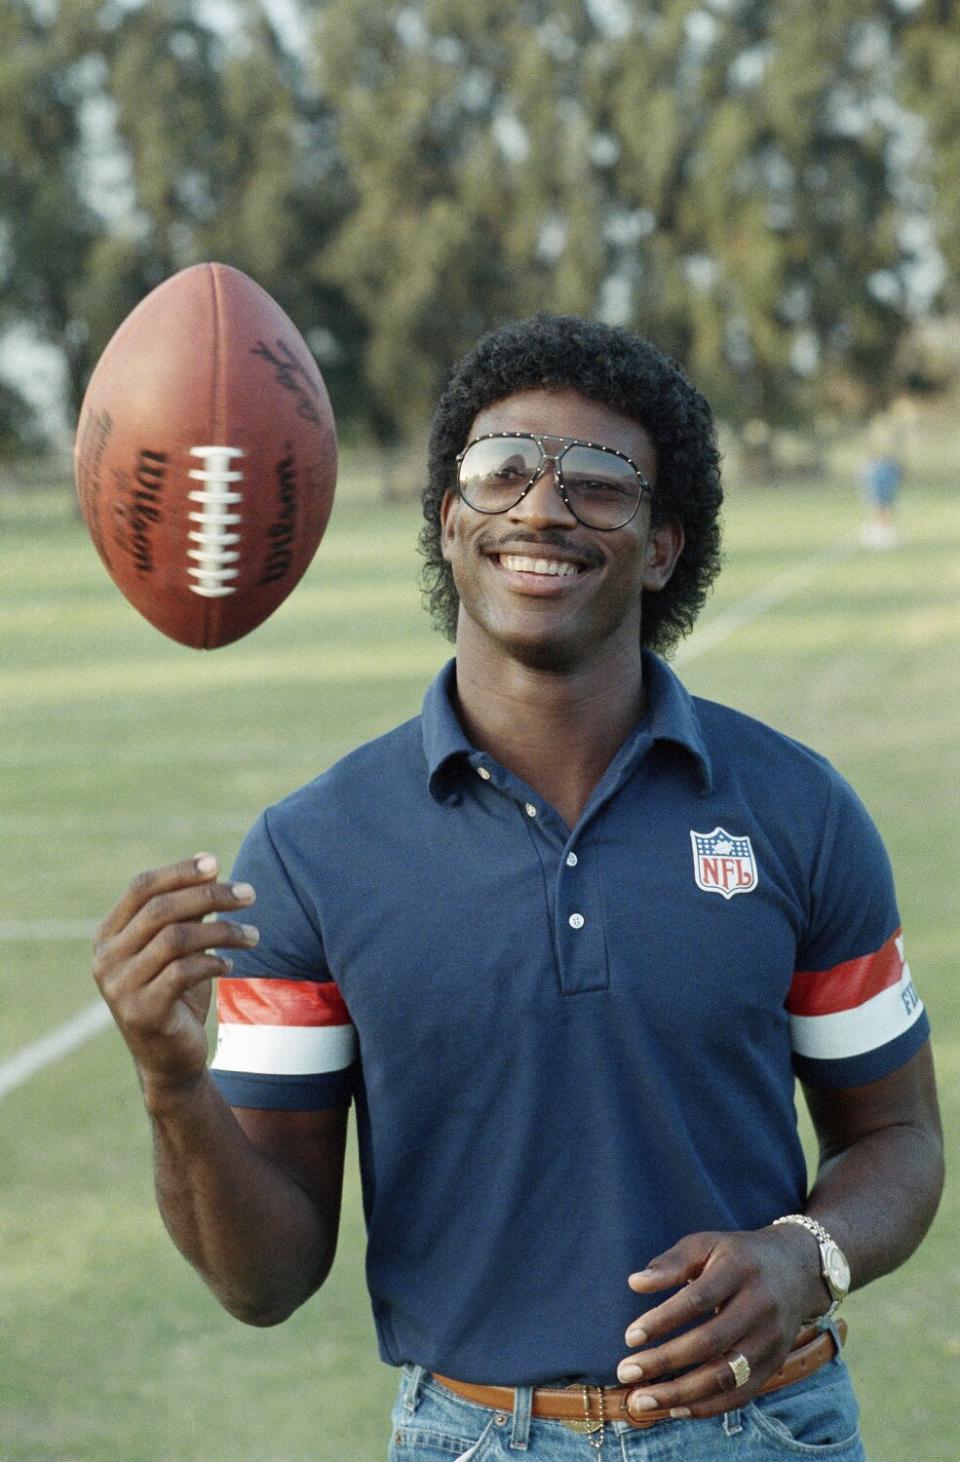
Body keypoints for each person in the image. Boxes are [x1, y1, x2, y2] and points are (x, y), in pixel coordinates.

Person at [93, 315, 943, 1459]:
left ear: (663, 546)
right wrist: (169, 1082)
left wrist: (808, 1253)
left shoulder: (796, 808)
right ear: (450, 522)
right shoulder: (313, 850)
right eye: (500, 473)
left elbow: (898, 1138)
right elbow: (267, 1279)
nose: (540, 508)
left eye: (599, 482)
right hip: (472, 1438)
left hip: (767, 1427)